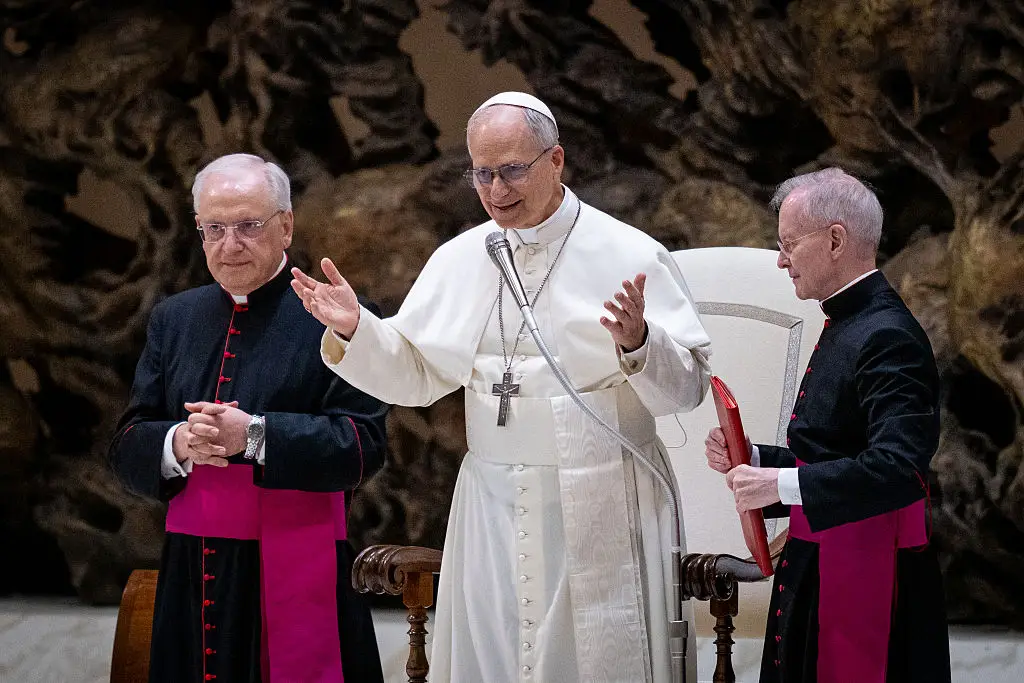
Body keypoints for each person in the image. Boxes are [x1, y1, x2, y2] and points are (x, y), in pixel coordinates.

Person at [291, 92, 712, 683]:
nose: (495, 190)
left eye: (512, 170)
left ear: (557, 160)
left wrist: (640, 342)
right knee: (492, 655)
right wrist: (355, 327)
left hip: (602, 497)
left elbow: (687, 392)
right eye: (481, 173)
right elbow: (414, 375)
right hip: (491, 501)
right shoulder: (462, 258)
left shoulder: (630, 253)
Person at [109, 153, 389, 683]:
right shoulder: (175, 318)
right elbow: (126, 442)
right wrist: (179, 442)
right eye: (214, 228)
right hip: (191, 573)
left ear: (286, 226)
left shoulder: (339, 316)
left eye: (248, 226)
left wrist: (255, 436)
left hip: (299, 566)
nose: (229, 243)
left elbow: (363, 444)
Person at [704, 168, 951, 682]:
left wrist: (776, 483)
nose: (780, 258)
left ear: (835, 239)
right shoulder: (850, 321)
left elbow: (899, 466)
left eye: (788, 242)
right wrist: (754, 459)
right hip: (824, 562)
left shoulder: (887, 334)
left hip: (868, 577)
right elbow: (833, 450)